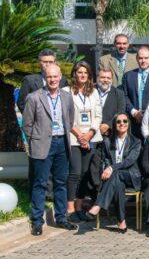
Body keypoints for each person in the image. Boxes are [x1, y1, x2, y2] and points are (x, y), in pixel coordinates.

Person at [22, 64, 77, 236]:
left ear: (60, 77)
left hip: (62, 143)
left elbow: (69, 118)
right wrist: (37, 139)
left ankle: (61, 218)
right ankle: (37, 221)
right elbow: (27, 125)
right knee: (40, 183)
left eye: (55, 76)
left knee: (61, 183)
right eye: (49, 77)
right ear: (44, 77)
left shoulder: (67, 97)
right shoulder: (34, 97)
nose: (52, 80)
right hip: (42, 144)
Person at [85, 113, 142, 233]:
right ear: (114, 124)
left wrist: (111, 168)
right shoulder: (107, 141)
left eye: (125, 121)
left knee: (117, 174)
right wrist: (105, 170)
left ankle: (98, 205)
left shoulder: (136, 141)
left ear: (129, 123)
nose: (122, 124)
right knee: (118, 184)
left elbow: (129, 161)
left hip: (131, 176)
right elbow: (103, 160)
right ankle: (122, 221)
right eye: (118, 121)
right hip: (114, 179)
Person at [62, 61, 103, 221]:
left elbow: (98, 115)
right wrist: (80, 135)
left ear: (89, 75)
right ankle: (70, 207)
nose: (83, 75)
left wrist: (89, 134)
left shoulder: (93, 92)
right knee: (75, 173)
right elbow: (66, 116)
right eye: (80, 72)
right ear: (75, 74)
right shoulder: (66, 92)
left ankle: (79, 206)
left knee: (85, 174)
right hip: (74, 138)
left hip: (90, 137)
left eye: (85, 73)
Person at [121, 46, 149, 137]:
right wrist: (134, 112)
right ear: (136, 59)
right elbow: (124, 96)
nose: (143, 61)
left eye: (146, 58)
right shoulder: (128, 76)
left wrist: (147, 112)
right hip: (133, 120)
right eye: (140, 58)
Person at [17, 48, 68, 112]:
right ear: (39, 63)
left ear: (55, 63)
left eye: (51, 62)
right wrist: (31, 119)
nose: (48, 64)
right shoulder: (29, 80)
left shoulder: (63, 80)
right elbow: (21, 103)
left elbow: (67, 102)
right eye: (45, 62)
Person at [97, 68, 126, 137]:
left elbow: (121, 113)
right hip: (92, 133)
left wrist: (108, 125)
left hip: (110, 133)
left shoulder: (119, 93)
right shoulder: (91, 91)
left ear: (112, 80)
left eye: (108, 78)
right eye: (103, 77)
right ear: (97, 78)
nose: (106, 80)